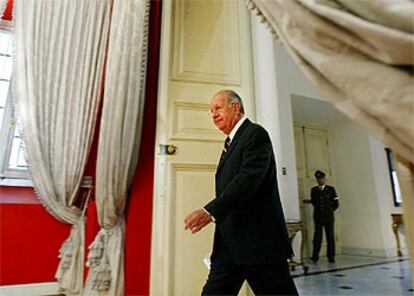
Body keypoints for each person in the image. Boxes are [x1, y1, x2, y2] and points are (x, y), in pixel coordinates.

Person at [184, 90, 298, 295]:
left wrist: (209, 211)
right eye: (210, 111)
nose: (213, 114)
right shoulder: (230, 143)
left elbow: (248, 179)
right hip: (229, 245)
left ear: (235, 108)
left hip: (259, 244)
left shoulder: (255, 134)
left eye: (218, 108)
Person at [310, 170, 339, 263]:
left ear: (324, 178)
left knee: (330, 236)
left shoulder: (331, 189)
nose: (320, 180)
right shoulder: (313, 190)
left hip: (328, 216)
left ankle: (331, 256)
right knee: (317, 237)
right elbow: (314, 202)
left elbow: (336, 203)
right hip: (318, 216)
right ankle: (315, 256)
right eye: (318, 179)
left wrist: (329, 211)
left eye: (321, 178)